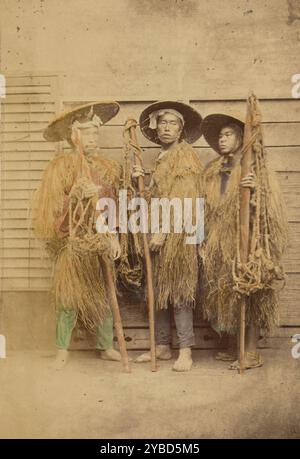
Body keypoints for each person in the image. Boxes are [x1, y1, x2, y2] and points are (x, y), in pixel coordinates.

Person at [33, 102, 123, 370]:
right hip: (72, 242)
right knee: (68, 298)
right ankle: (62, 349)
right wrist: (74, 197)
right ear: (75, 136)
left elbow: (112, 207)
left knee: (104, 295)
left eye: (97, 134)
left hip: (100, 241)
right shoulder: (59, 167)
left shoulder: (108, 168)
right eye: (88, 134)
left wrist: (114, 237)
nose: (93, 139)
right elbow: (50, 208)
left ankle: (106, 346)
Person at [201, 112, 287, 370]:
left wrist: (255, 190)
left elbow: (269, 209)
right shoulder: (213, 170)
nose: (222, 139)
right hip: (218, 239)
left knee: (248, 290)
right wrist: (203, 240)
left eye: (228, 134)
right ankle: (231, 344)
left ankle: (249, 351)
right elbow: (204, 206)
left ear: (242, 138)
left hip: (247, 240)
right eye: (220, 135)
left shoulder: (256, 170)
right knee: (224, 290)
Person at [133, 101, 203, 371]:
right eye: (162, 122)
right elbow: (155, 197)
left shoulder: (184, 155)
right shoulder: (162, 158)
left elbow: (183, 197)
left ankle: (185, 351)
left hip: (179, 234)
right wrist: (139, 180)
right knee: (159, 292)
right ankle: (162, 346)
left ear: (181, 129)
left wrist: (163, 231)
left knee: (179, 292)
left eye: (172, 123)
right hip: (159, 233)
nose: (166, 127)